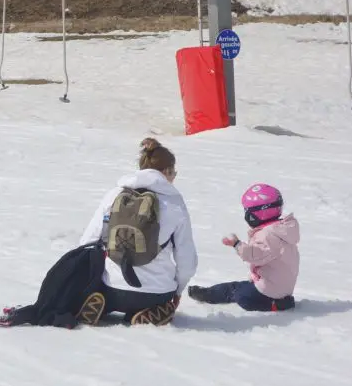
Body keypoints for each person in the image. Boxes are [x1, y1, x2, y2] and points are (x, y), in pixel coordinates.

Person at [77, 138, 199, 326]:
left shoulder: (115, 194)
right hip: (155, 293)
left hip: (110, 288)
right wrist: (177, 291)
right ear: (167, 172)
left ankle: (101, 304)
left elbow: (87, 242)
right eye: (174, 173)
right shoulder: (174, 203)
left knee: (103, 290)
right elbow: (187, 261)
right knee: (162, 298)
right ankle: (154, 310)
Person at [189, 184, 299, 312]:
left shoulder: (269, 234)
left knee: (243, 297)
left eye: (249, 212)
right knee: (236, 288)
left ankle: (278, 305)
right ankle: (208, 293)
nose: (247, 215)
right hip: (278, 284)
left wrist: (237, 244)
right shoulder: (281, 229)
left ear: (261, 212)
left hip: (270, 290)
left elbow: (255, 256)